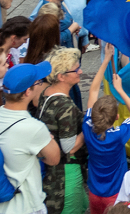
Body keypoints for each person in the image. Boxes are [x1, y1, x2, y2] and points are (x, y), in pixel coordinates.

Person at [0, 61, 62, 214]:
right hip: (23, 206)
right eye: (39, 82)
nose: (42, 85)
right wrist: (42, 147)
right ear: (28, 92)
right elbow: (54, 159)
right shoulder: (34, 127)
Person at [84, 44, 130, 214]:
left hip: (94, 193)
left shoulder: (87, 127)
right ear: (117, 117)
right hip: (116, 194)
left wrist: (106, 60)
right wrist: (120, 89)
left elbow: (93, 90)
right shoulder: (119, 135)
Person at [38, 47, 88, 214]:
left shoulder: (46, 93)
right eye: (76, 69)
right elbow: (70, 147)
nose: (80, 71)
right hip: (67, 171)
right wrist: (89, 126)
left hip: (52, 170)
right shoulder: (65, 106)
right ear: (61, 77)